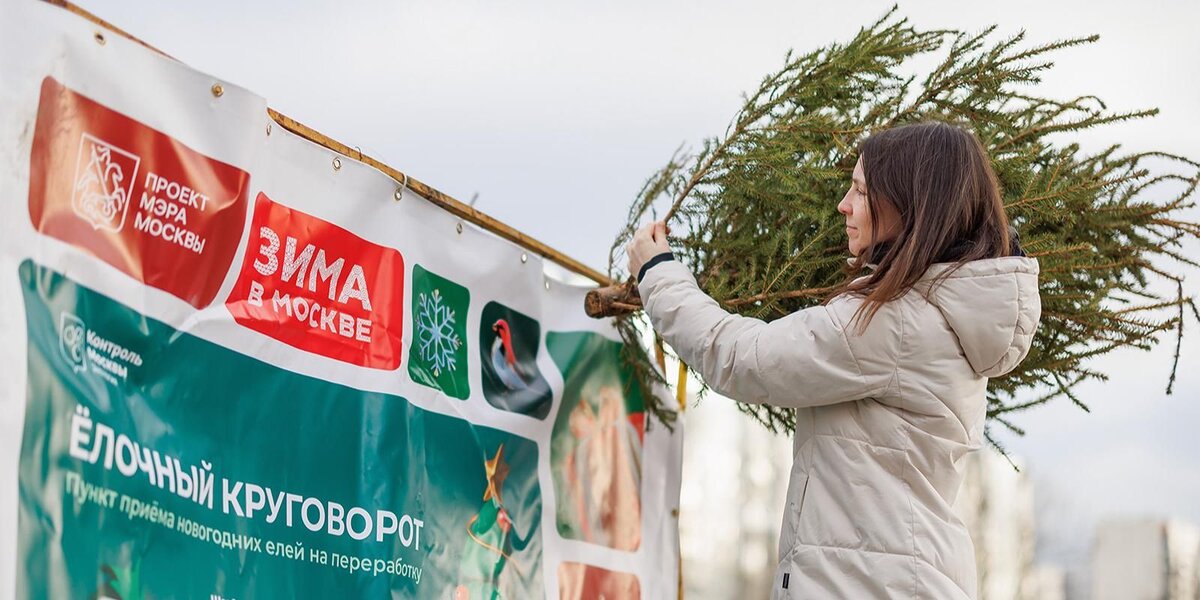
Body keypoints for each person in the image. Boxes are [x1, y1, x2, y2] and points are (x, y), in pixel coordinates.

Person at [626, 120, 1042, 599]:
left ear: (907, 207)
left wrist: (657, 274)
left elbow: (742, 360)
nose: (843, 204)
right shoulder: (940, 312)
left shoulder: (893, 322)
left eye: (861, 191)